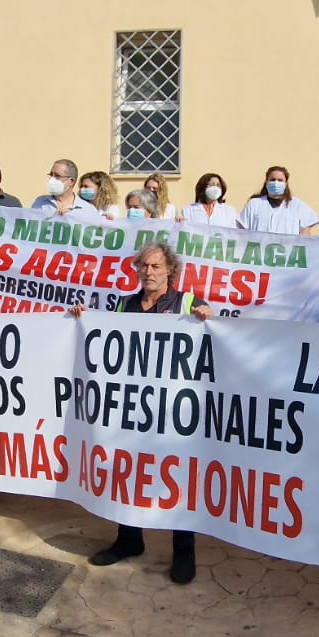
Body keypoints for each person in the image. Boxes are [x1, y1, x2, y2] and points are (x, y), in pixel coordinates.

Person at [85, 240, 213, 583]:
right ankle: (128, 540)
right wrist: (82, 320)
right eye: (143, 265)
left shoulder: (188, 303)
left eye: (156, 266)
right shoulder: (126, 305)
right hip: (132, 409)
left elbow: (214, 340)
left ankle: (184, 551)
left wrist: (208, 318)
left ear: (170, 269)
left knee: (178, 478)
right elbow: (104, 338)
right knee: (127, 472)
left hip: (173, 412)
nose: (148, 272)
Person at [238, 166, 319, 234]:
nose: (276, 183)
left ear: (286, 183)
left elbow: (305, 231)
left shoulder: (297, 205)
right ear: (266, 182)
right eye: (272, 180)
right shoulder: (254, 204)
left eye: (280, 180)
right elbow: (242, 229)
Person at [34, 159, 100, 218]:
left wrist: (70, 217)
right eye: (51, 175)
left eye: (57, 176)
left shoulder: (88, 209)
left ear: (71, 181)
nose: (52, 179)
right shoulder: (40, 202)